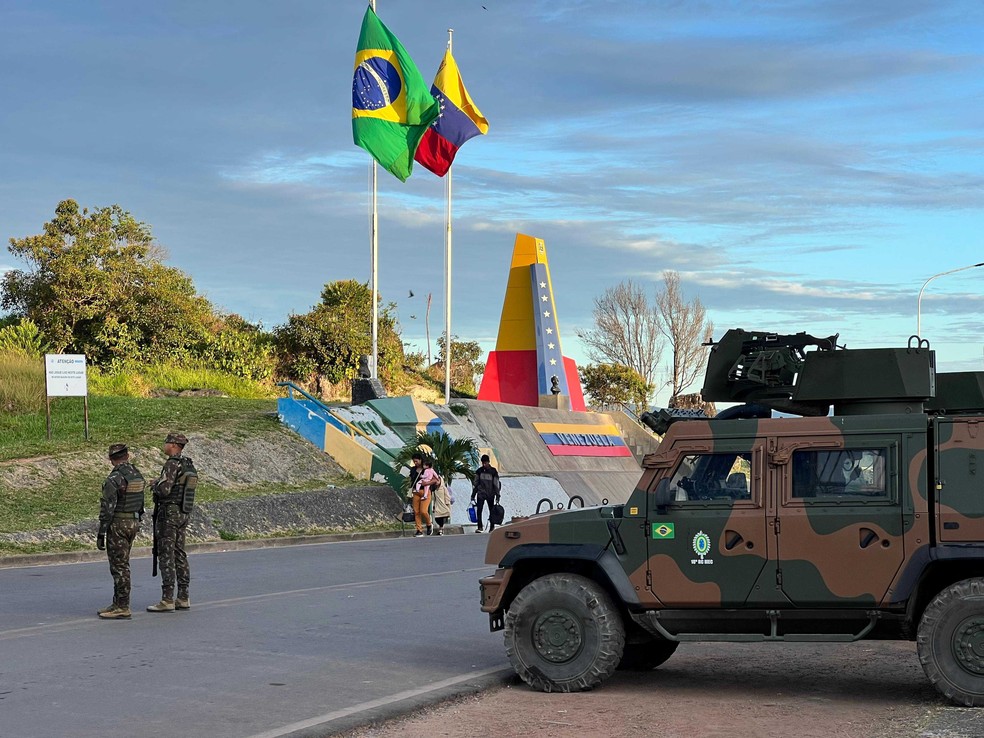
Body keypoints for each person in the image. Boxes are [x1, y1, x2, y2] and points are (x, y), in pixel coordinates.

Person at [147, 432, 198, 612]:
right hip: (183, 512)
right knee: (180, 553)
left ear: (174, 445)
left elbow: (166, 490)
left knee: (166, 554)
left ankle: (167, 599)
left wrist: (155, 485)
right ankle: (183, 596)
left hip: (169, 513)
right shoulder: (187, 464)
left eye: (167, 442)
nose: (164, 445)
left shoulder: (172, 463)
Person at [96, 443, 147, 619]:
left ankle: (122, 606)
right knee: (122, 563)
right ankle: (117, 602)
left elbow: (107, 507)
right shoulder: (136, 474)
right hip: (133, 522)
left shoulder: (114, 478)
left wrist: (102, 531)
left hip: (118, 523)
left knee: (119, 566)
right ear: (127, 456)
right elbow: (141, 501)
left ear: (111, 459)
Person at [471, 454, 501, 533]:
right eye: (483, 463)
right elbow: (476, 484)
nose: (484, 464)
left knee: (491, 511)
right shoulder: (479, 471)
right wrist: (473, 495)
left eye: (485, 463)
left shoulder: (493, 471)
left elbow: (496, 484)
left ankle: (492, 527)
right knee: (479, 510)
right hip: (481, 494)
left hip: (491, 494)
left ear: (488, 462)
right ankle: (480, 527)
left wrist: (497, 495)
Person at [412, 456, 439, 537]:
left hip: (425, 491)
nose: (415, 463)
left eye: (416, 461)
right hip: (416, 491)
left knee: (423, 511)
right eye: (414, 461)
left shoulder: (428, 469)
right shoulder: (413, 469)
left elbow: (436, 480)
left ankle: (429, 524)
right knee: (416, 512)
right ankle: (419, 529)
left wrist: (427, 483)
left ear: (421, 460)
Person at [430, 464, 452, 536]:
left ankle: (441, 529)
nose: (436, 481)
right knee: (437, 518)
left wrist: (447, 504)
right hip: (437, 506)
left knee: (442, 518)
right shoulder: (434, 489)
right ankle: (441, 528)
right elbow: (434, 499)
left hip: (443, 505)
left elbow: (447, 496)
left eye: (438, 480)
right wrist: (433, 506)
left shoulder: (443, 488)